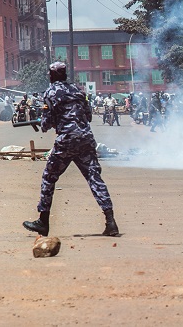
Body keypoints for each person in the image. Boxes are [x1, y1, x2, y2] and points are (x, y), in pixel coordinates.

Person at [22, 61, 119, 237]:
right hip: (86, 139)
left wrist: (39, 122)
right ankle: (111, 222)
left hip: (66, 140)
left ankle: (43, 221)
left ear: (51, 76)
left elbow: (46, 124)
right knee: (94, 178)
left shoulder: (50, 92)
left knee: (49, 178)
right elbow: (88, 117)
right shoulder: (77, 90)